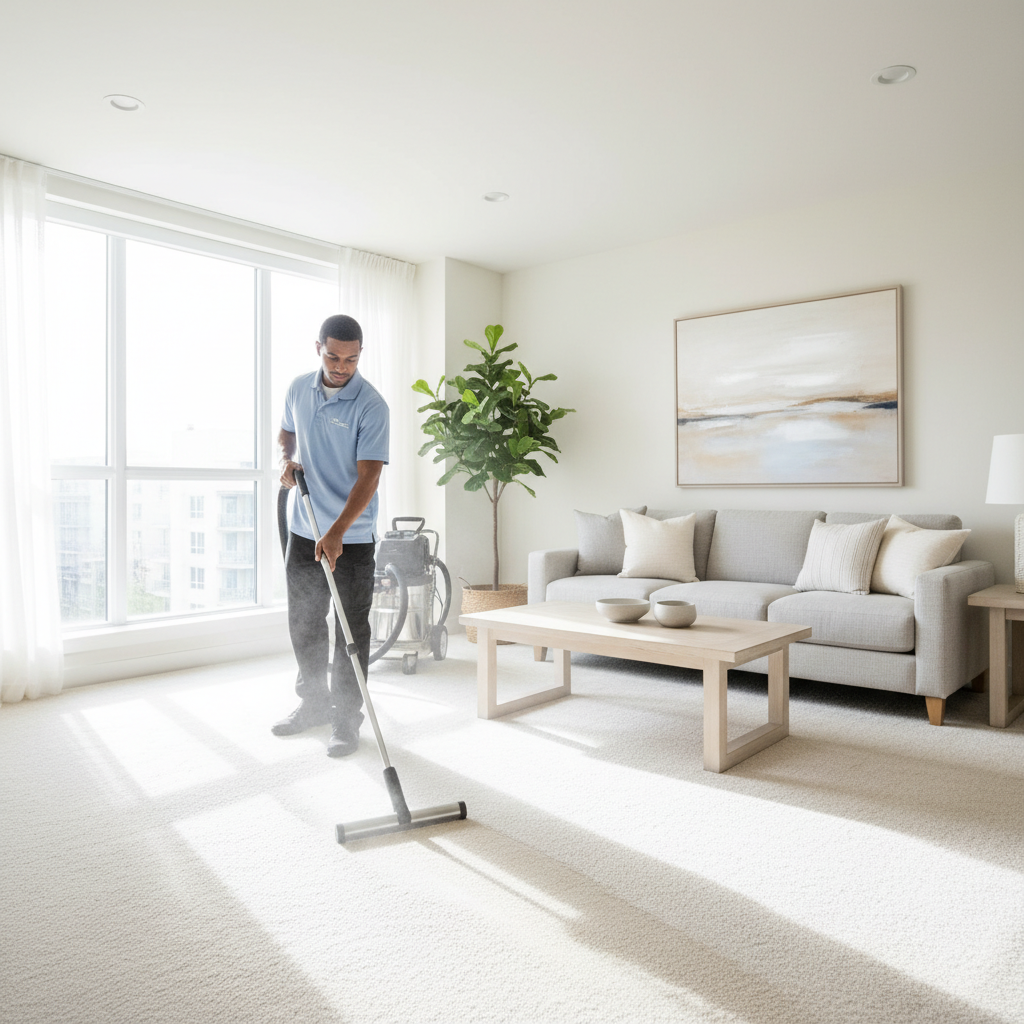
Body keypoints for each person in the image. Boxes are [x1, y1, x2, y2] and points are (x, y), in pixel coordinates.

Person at [272, 314, 389, 757]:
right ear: (317, 347)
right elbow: (286, 431)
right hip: (304, 528)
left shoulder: (371, 406)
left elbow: (369, 477)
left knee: (350, 630)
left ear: (361, 354)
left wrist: (339, 531)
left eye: (352, 359)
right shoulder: (299, 387)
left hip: (352, 538)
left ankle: (345, 720)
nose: (342, 366)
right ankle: (314, 706)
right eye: (334, 356)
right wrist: (286, 459)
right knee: (304, 622)